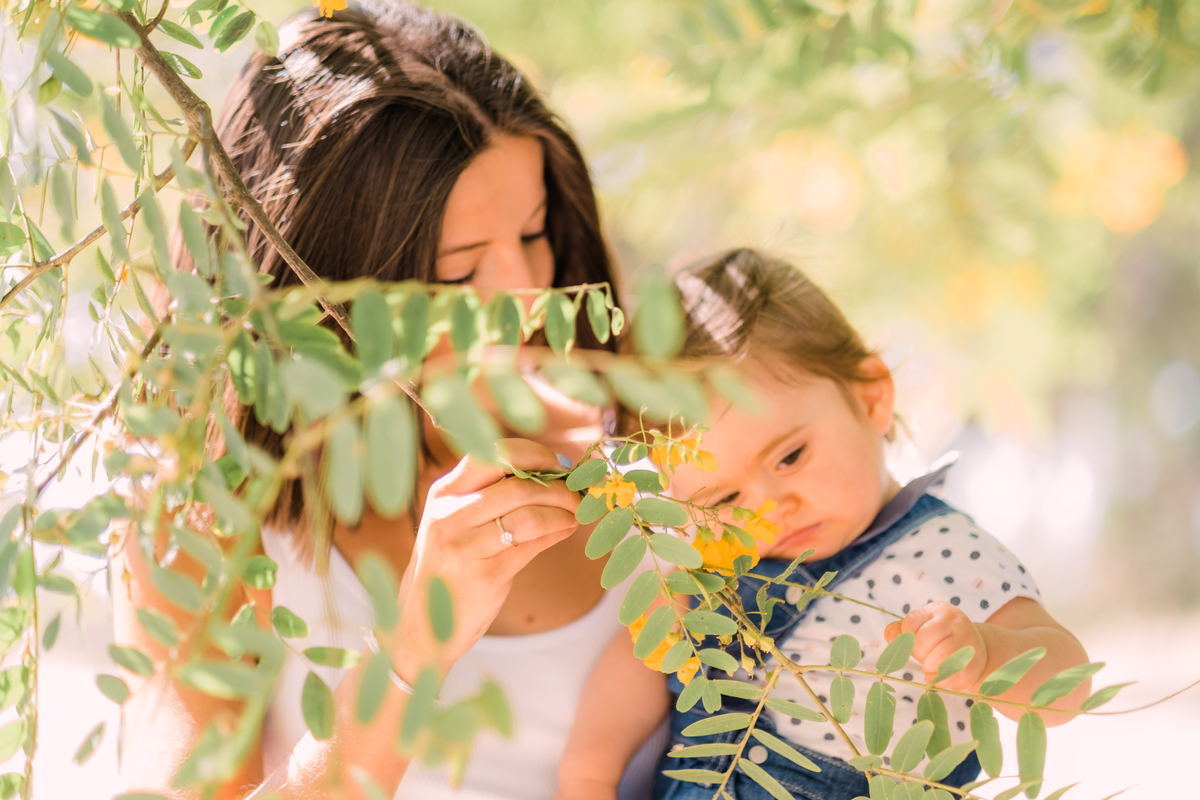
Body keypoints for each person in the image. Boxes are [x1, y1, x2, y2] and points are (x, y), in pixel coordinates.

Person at [112, 3, 663, 798]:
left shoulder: (644, 414)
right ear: (322, 285)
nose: (527, 293)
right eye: (460, 269)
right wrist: (409, 655)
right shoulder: (207, 509)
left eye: (536, 232)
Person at [554, 249, 1092, 800]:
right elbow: (641, 659)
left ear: (871, 397)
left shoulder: (944, 553)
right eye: (728, 496)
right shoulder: (713, 574)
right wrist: (587, 776)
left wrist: (986, 652)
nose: (770, 508)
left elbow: (1067, 687)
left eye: (790, 457)